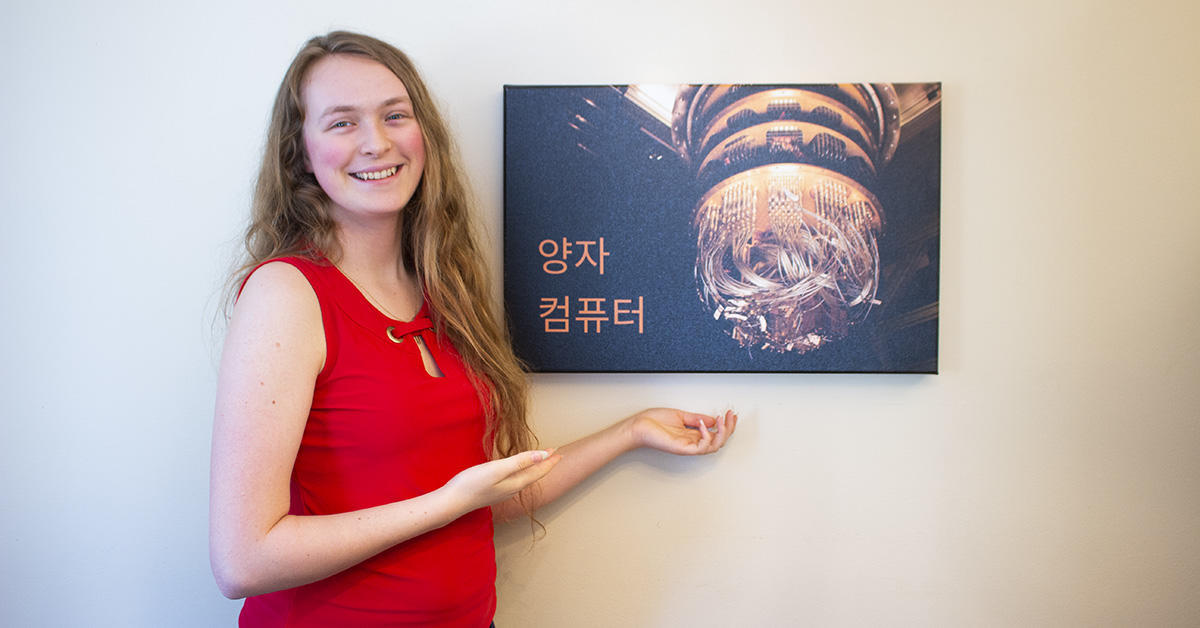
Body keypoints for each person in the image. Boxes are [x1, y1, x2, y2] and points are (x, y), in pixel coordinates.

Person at [209, 31, 737, 627]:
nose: (376, 142)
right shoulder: (287, 293)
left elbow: (484, 496)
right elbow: (242, 561)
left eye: (395, 115)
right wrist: (446, 503)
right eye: (342, 123)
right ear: (300, 152)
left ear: (424, 134)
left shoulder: (444, 292)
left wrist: (630, 431)